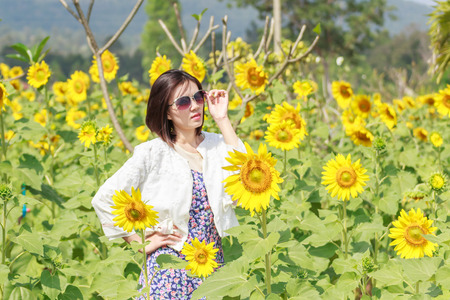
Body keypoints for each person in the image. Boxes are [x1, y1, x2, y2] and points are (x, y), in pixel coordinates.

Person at [91, 69, 244, 299]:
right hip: (169, 272)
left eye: (198, 97)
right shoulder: (153, 153)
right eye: (183, 102)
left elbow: (247, 177)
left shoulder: (217, 145)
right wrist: (138, 243)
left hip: (212, 269)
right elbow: (104, 199)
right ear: (167, 112)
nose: (194, 106)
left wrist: (222, 119)